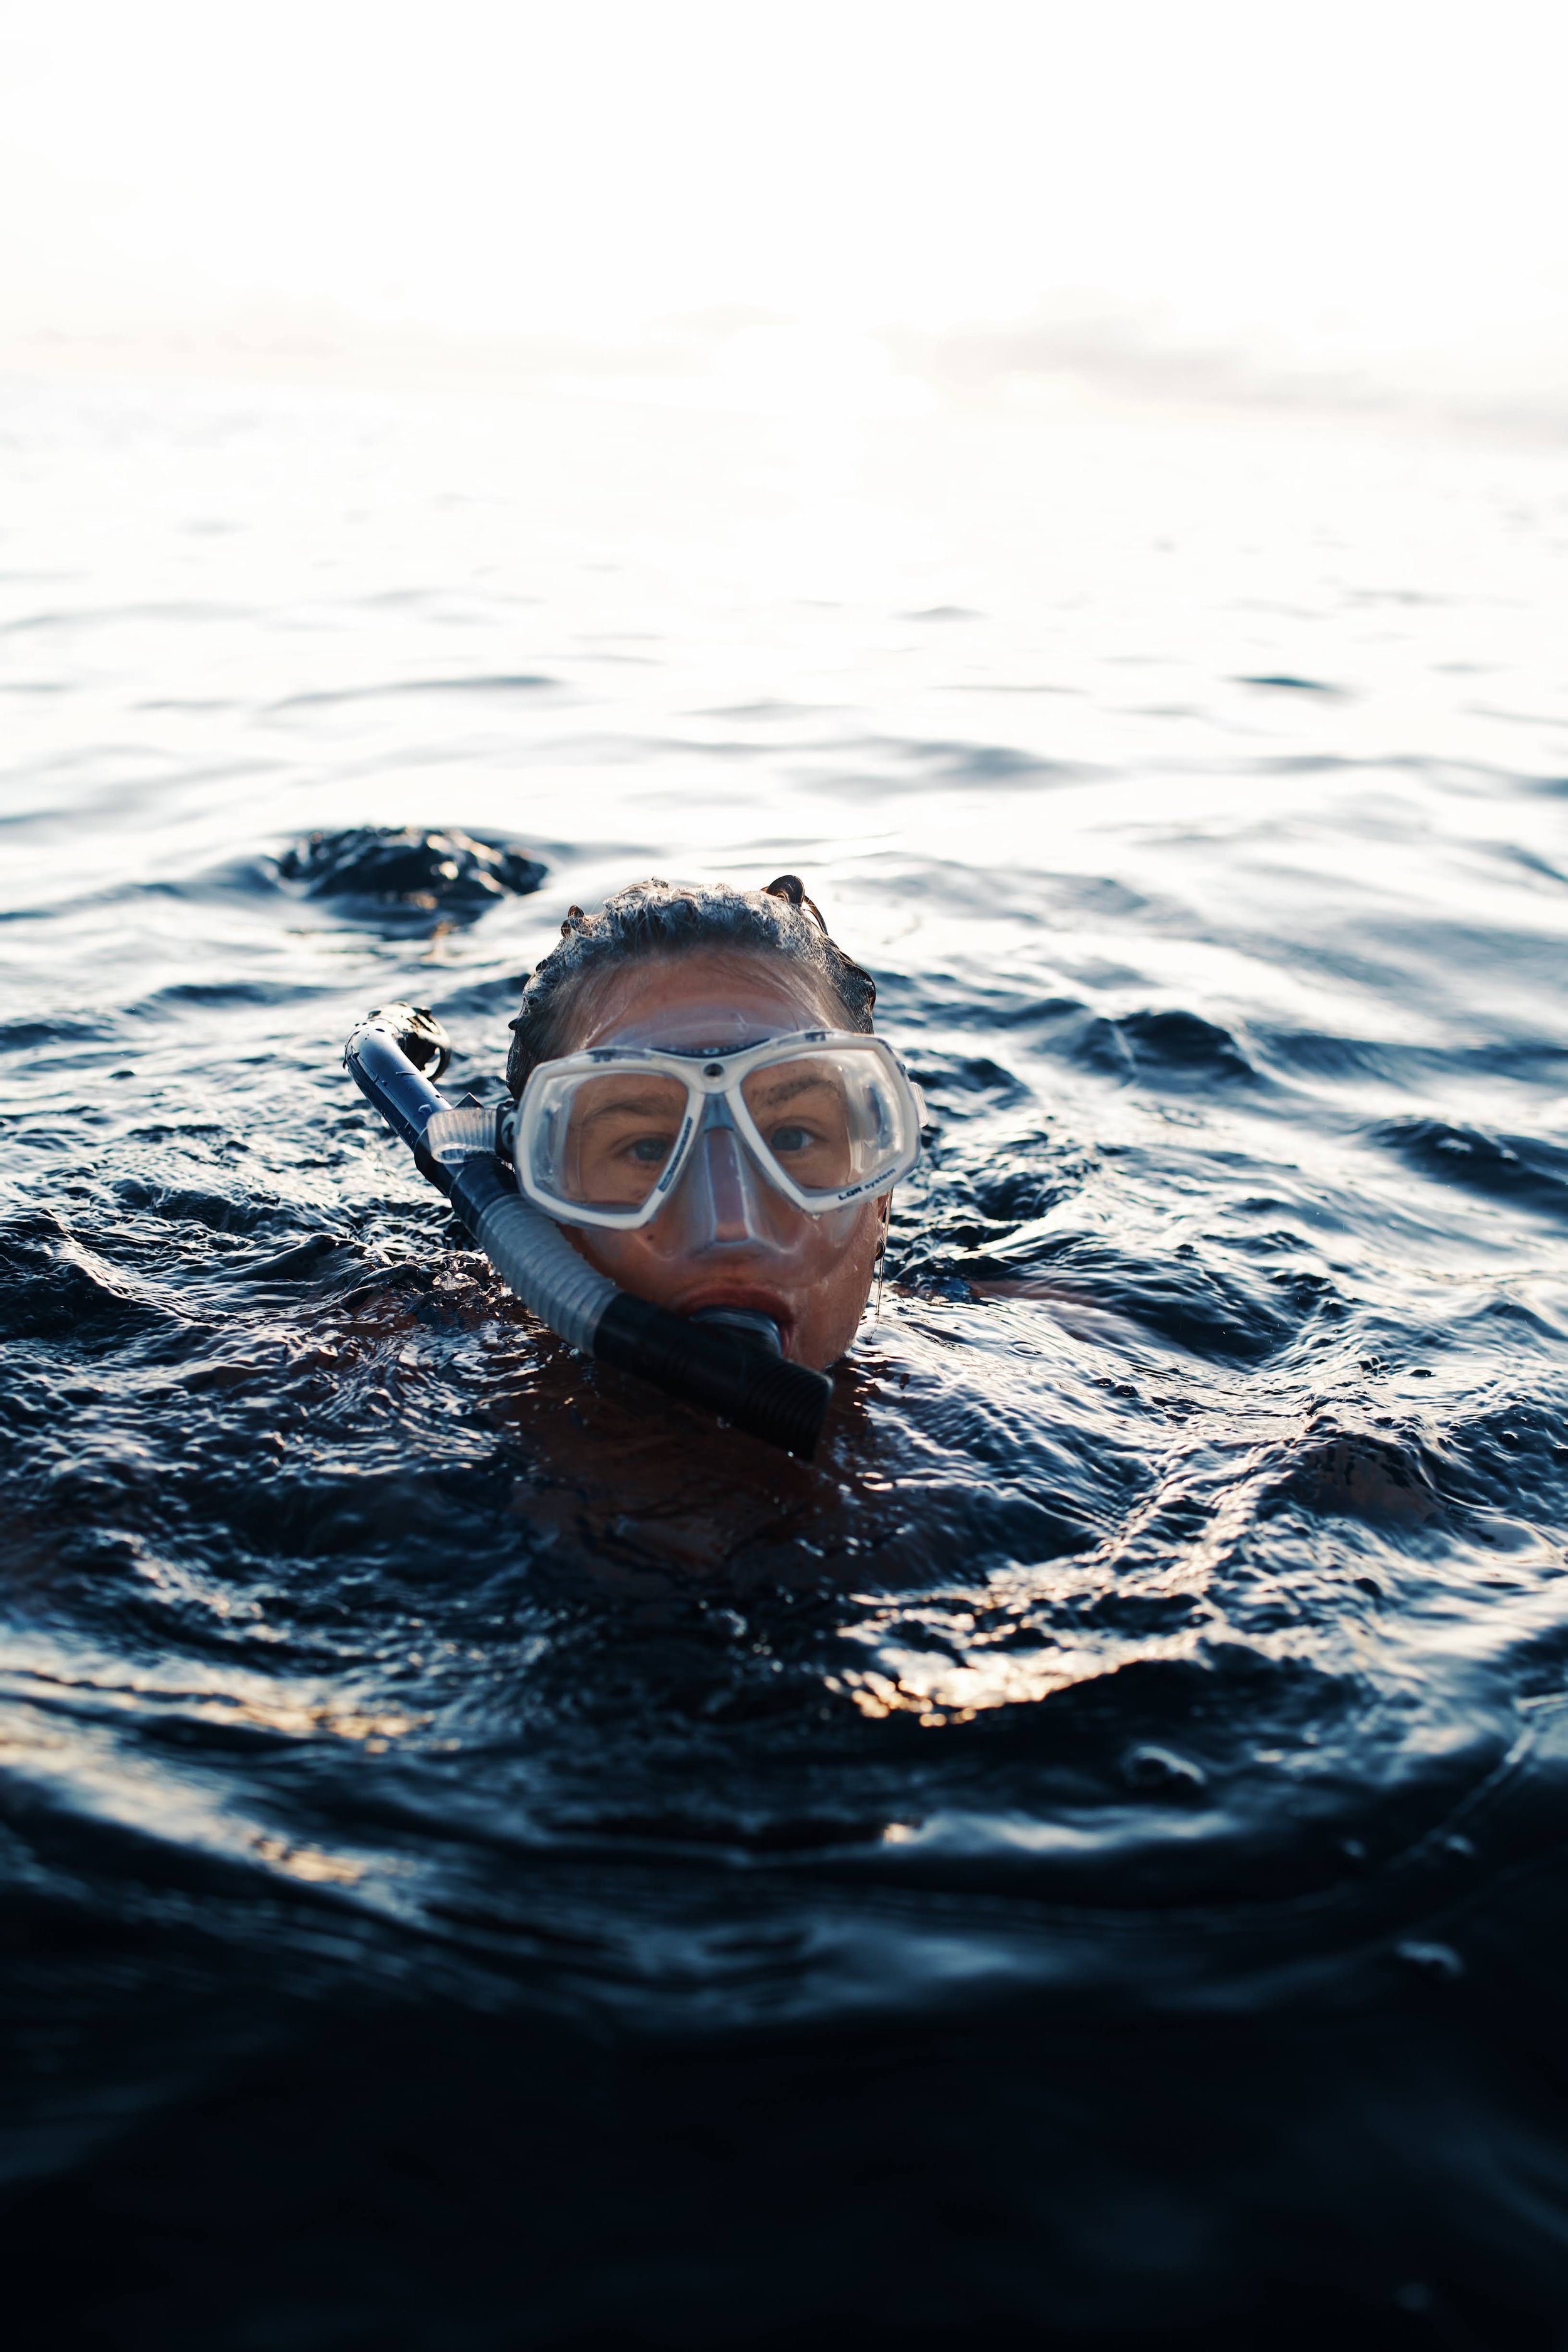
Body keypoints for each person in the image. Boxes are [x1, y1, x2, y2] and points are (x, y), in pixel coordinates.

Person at [502, 876, 924, 1373]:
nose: (733, 1227)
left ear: (877, 1201)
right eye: (647, 1149)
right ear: (536, 1216)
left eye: (792, 1138)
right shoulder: (404, 1374)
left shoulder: (999, 1393)